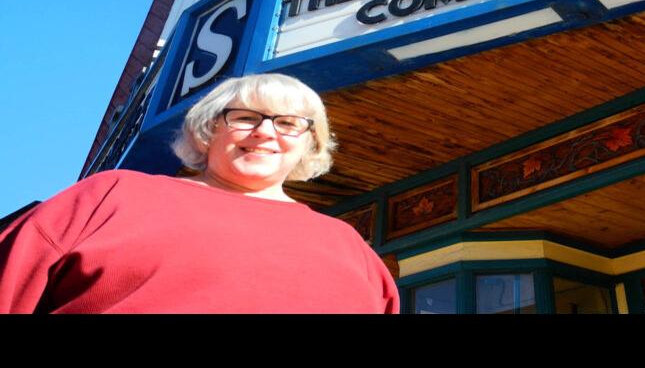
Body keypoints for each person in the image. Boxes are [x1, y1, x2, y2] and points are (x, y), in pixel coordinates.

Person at [0, 73, 399, 313]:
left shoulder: (354, 250)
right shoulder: (110, 196)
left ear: (310, 143)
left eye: (288, 123)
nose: (265, 132)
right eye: (245, 118)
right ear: (208, 131)